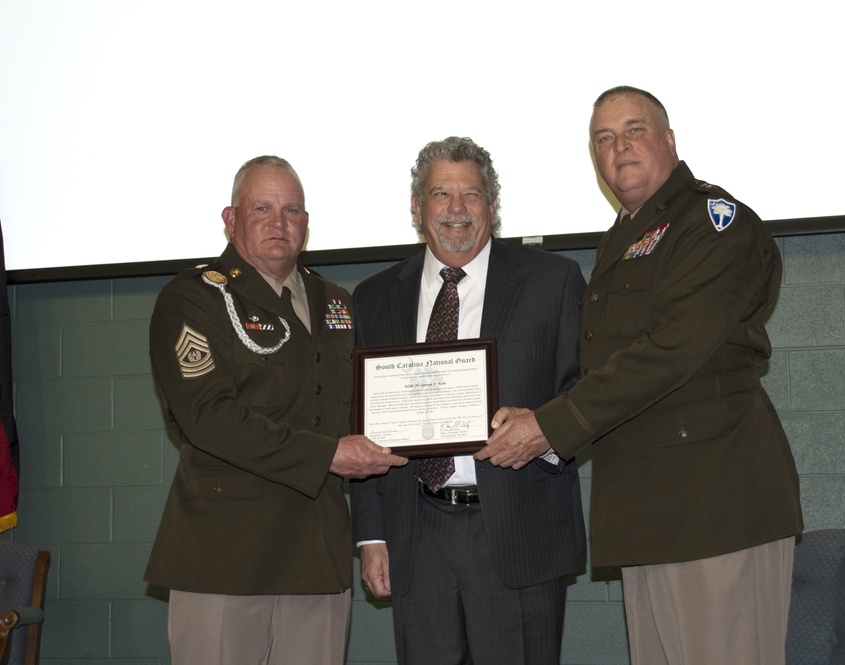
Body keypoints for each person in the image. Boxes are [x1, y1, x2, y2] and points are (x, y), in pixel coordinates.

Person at [478, 86, 803, 664]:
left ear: (670, 140)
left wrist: (553, 425)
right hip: (650, 509)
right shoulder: (623, 239)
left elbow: (671, 351)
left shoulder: (711, 222)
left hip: (713, 505)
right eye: (603, 138)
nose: (619, 147)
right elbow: (611, 364)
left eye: (634, 130)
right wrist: (541, 417)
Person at [144, 155, 406, 665]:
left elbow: (367, 409)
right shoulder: (193, 298)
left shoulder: (337, 303)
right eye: (261, 207)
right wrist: (329, 454)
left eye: (291, 209)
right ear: (231, 218)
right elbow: (209, 418)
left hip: (318, 551)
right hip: (226, 556)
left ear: (306, 224)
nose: (278, 221)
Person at [350, 136, 587, 665]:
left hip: (520, 530)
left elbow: (584, 390)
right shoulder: (375, 296)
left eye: (472, 194)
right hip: (417, 535)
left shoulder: (552, 280)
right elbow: (361, 424)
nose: (456, 210)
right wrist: (370, 536)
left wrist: (543, 432)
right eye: (440, 194)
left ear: (493, 206)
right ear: (417, 208)